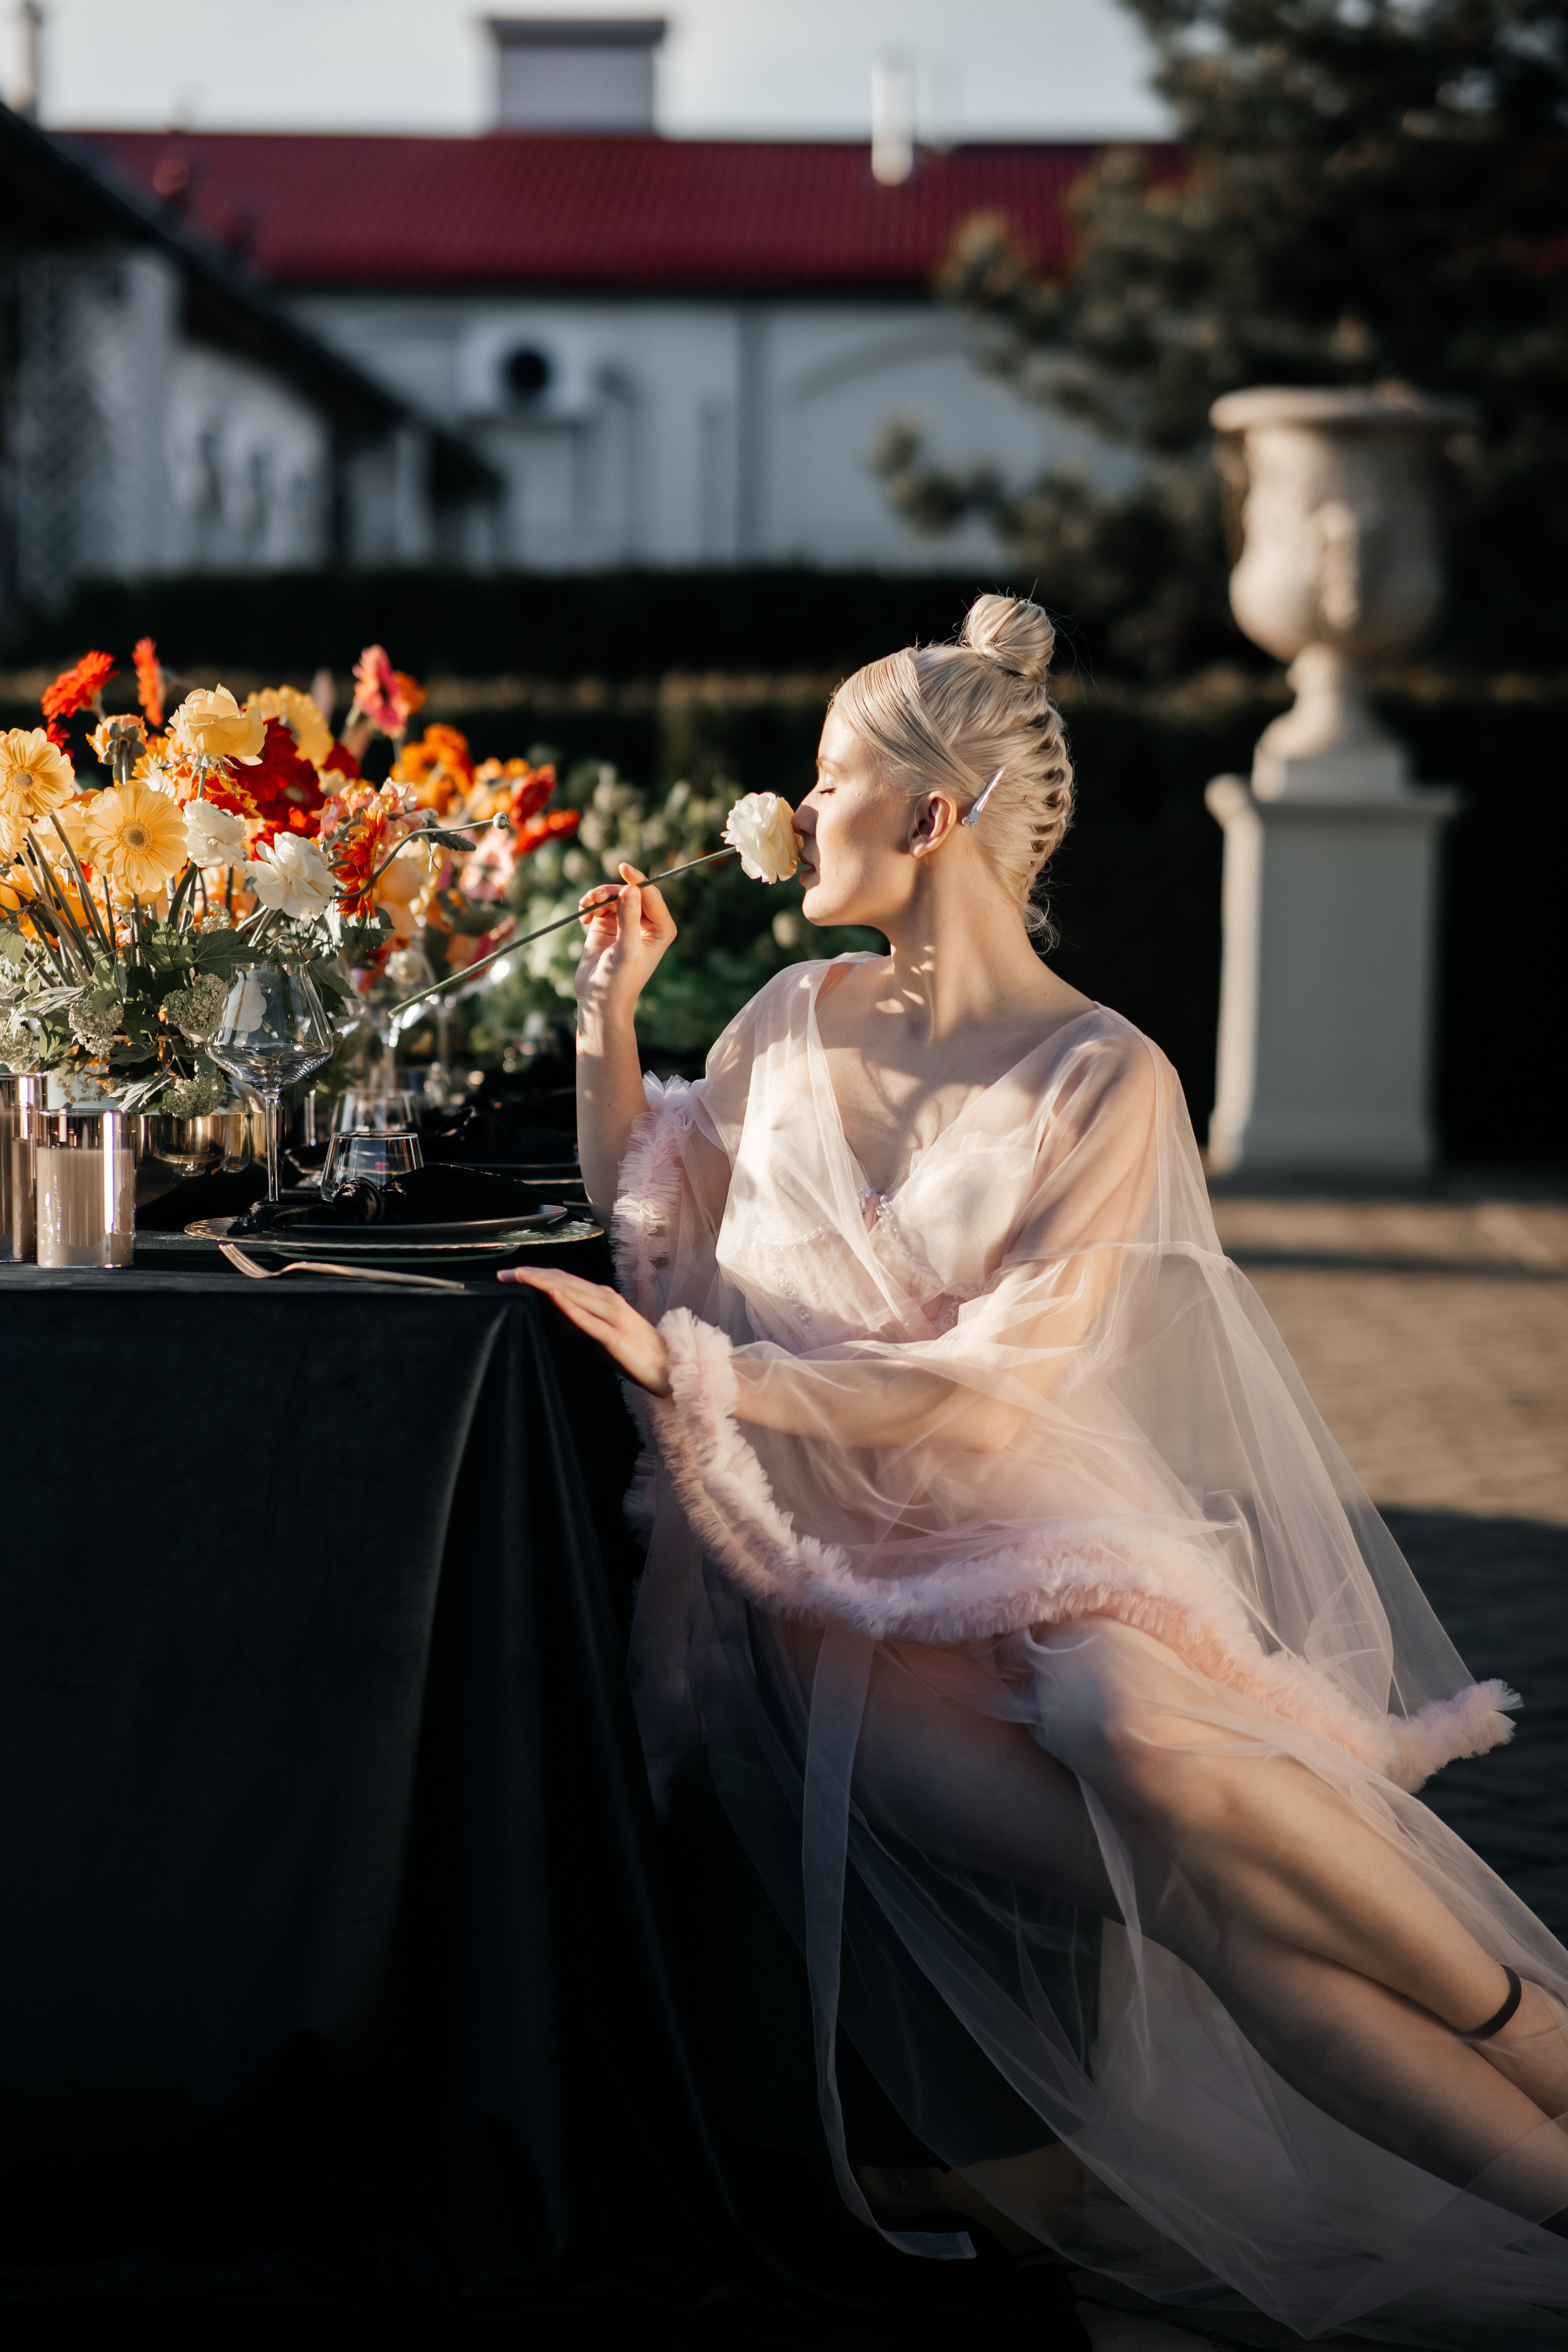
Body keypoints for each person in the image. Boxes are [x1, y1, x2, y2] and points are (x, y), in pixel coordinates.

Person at [503, 595, 1568, 2342]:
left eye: (830, 777)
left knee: (1125, 1718)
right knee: (1210, 1911)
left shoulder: (1105, 1076)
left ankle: (1531, 2039)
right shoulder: (787, 1016)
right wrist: (606, 1017)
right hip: (843, 1611)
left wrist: (713, 1374)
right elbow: (656, 1209)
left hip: (1042, 1546)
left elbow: (991, 1406)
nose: (799, 808)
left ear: (931, 817)